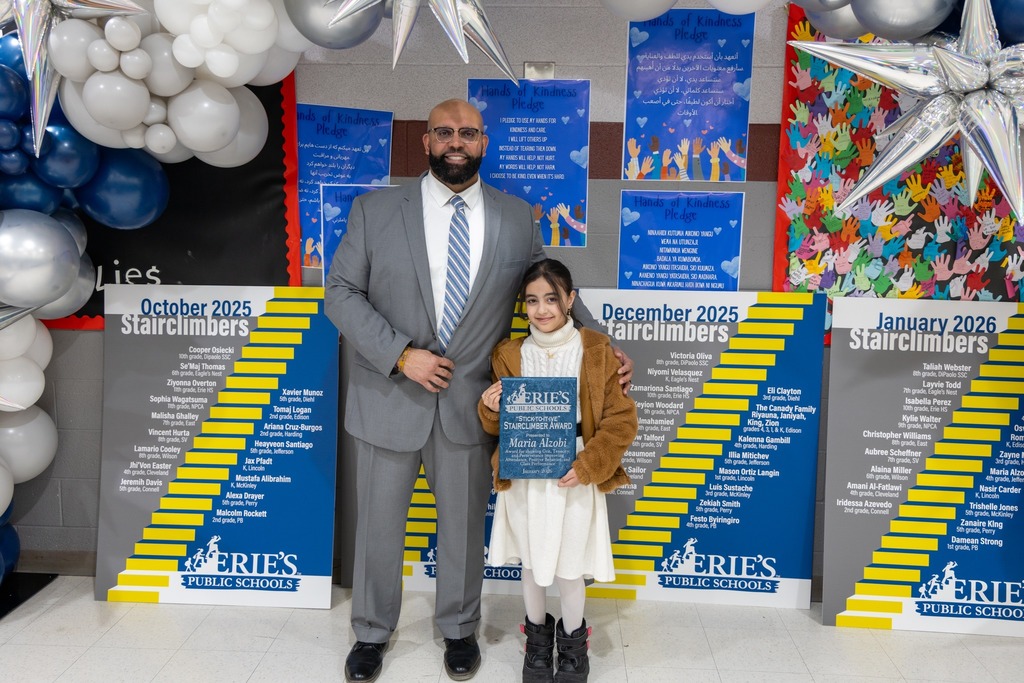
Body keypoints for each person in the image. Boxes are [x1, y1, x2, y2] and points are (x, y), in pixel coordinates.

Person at [325, 99, 633, 683]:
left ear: (484, 142)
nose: (456, 142)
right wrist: (399, 355)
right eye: (444, 132)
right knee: (379, 527)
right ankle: (369, 632)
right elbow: (339, 292)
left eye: (468, 132)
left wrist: (602, 346)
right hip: (388, 397)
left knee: (465, 527)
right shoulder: (375, 210)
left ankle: (460, 628)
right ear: (426, 141)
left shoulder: (518, 217)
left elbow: (552, 288)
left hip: (473, 402)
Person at [478, 259, 638, 683]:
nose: (542, 309)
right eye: (532, 301)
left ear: (570, 299)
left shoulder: (597, 349)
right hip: (526, 477)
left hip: (573, 475)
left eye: (551, 298)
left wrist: (588, 466)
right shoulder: (509, 354)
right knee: (531, 564)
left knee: (569, 566)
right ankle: (536, 643)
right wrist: (490, 408)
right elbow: (497, 425)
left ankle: (572, 646)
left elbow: (622, 422)